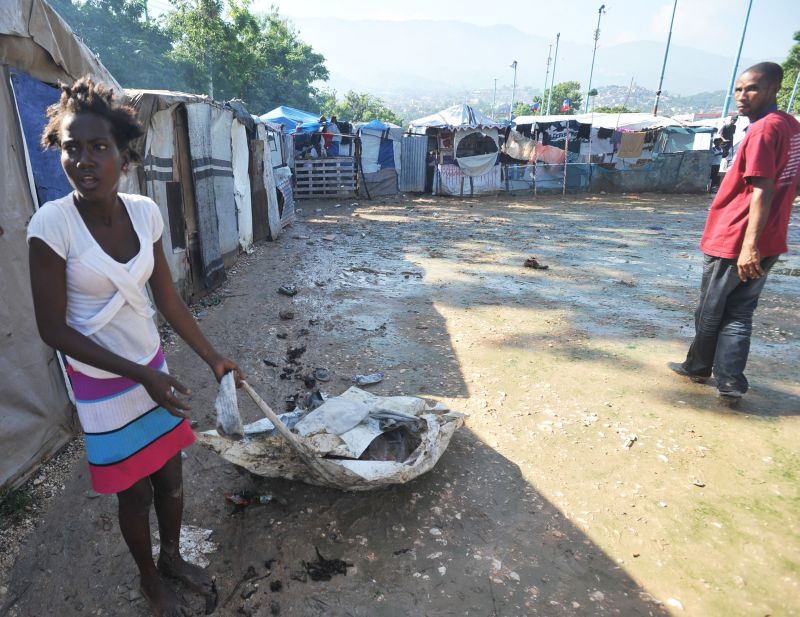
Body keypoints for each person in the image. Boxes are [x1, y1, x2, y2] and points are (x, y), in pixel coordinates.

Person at [27, 77, 244, 616]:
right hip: (102, 383)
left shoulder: (145, 212)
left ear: (125, 156)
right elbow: (53, 330)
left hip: (151, 365)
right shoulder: (51, 227)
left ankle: (171, 556)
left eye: (98, 147)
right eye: (73, 147)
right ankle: (151, 581)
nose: (84, 159)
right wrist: (138, 375)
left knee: (170, 476)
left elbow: (168, 299)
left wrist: (212, 357)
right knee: (135, 492)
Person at [668, 62, 800, 399]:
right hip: (769, 237)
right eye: (739, 89)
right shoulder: (791, 126)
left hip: (737, 238)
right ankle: (730, 382)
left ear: (773, 89)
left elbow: (762, 188)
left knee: (712, 308)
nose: (742, 96)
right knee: (739, 312)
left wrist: (748, 245)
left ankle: (698, 367)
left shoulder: (763, 130)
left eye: (751, 88)